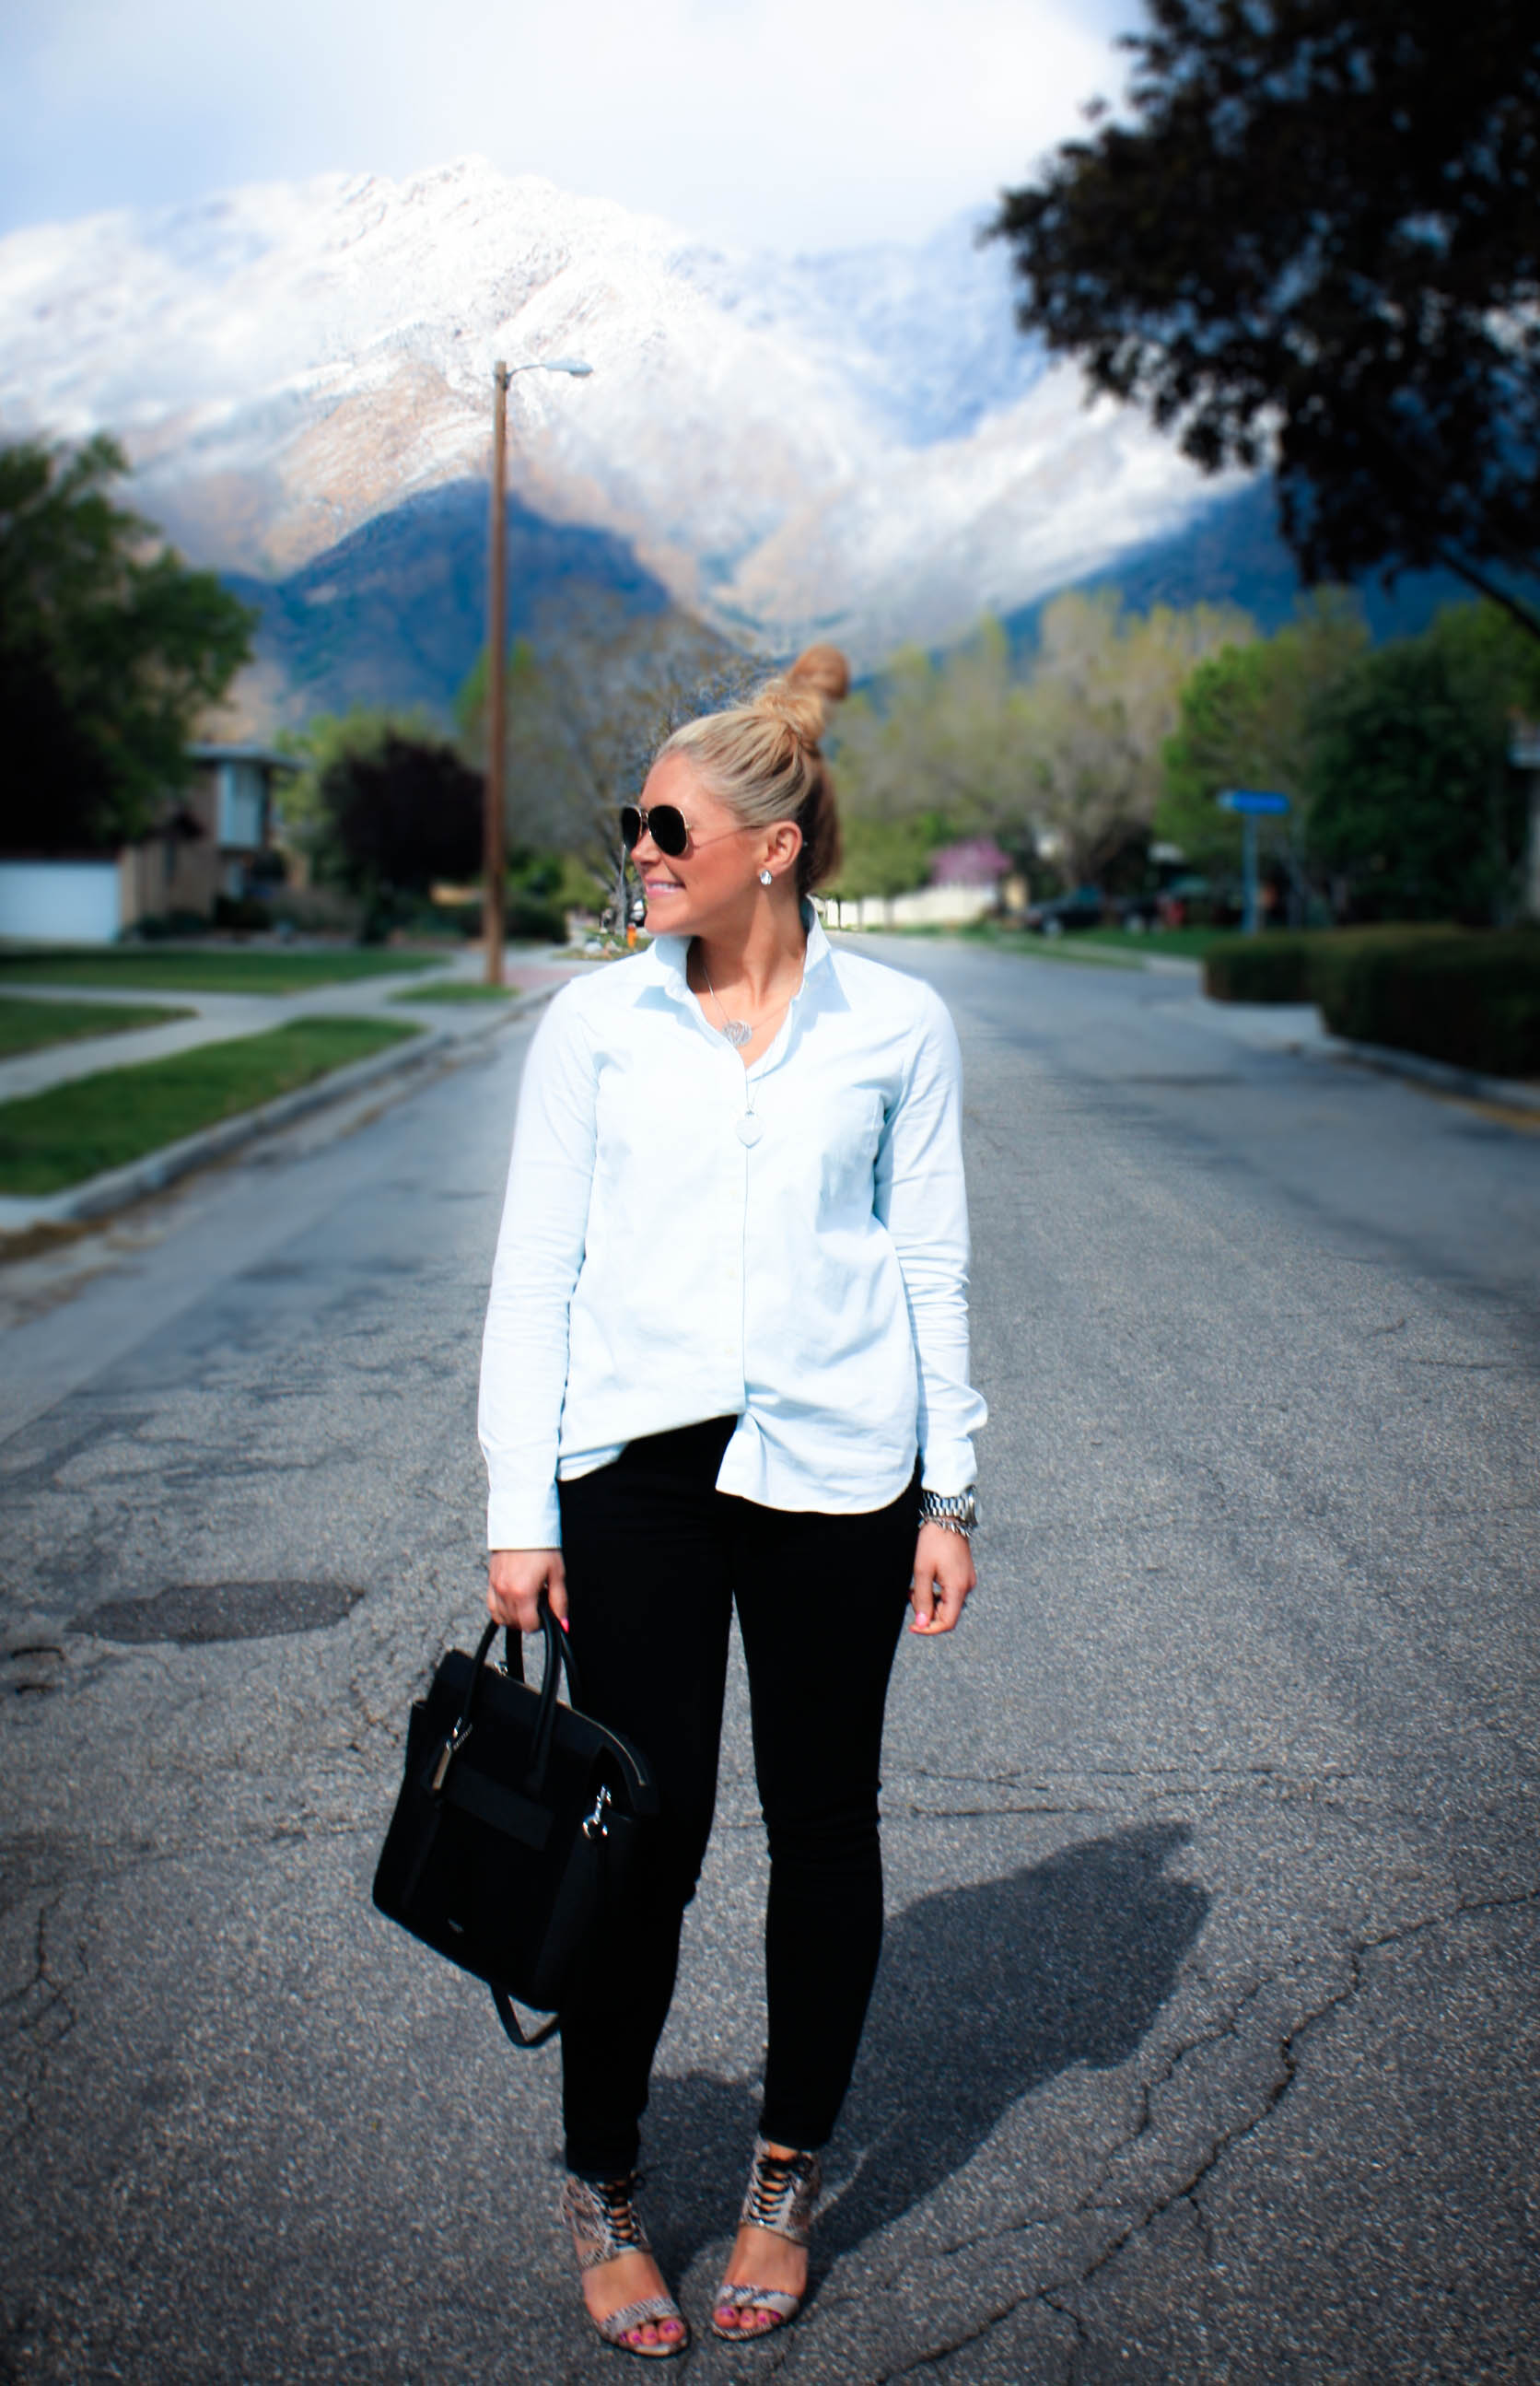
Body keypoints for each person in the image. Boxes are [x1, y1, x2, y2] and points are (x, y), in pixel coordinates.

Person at [478, 644, 986, 2358]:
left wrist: (952, 1490)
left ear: (773, 848)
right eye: (634, 826)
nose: (639, 852)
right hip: (640, 1474)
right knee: (646, 1830)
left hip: (842, 1468)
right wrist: (521, 1507)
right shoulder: (596, 1026)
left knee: (824, 1821)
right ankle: (605, 2182)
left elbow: (930, 1265)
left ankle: (785, 2176)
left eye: (666, 828)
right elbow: (534, 1273)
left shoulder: (898, 1026)